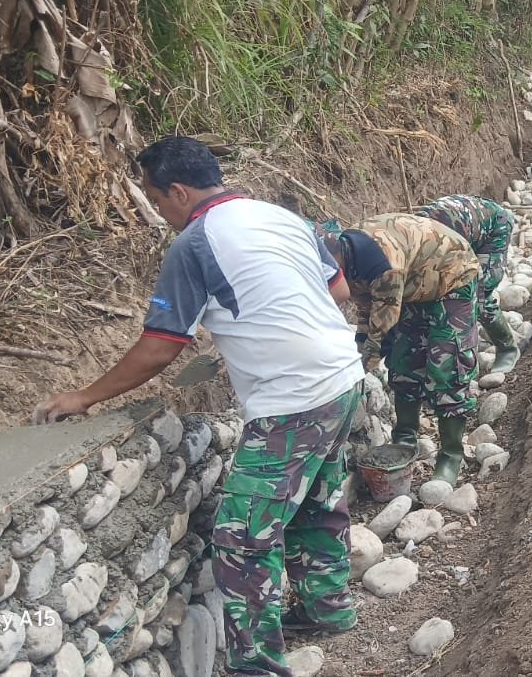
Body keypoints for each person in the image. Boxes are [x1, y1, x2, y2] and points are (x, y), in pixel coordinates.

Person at [34, 137, 365, 676]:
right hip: (343, 378)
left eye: (156, 199)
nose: (159, 212)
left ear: (179, 192)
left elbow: (161, 346)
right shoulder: (280, 217)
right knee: (318, 500)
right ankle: (327, 608)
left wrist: (83, 396)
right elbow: (340, 290)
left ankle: (258, 664)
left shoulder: (194, 243)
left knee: (242, 538)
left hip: (293, 400)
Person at [324, 213, 480, 487]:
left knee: (446, 367)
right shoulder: (344, 260)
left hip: (451, 276)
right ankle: (405, 440)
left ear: (338, 257)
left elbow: (382, 330)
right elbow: (367, 313)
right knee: (403, 361)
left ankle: (451, 455)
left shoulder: (382, 266)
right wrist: (356, 352)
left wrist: (358, 374)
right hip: (412, 284)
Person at [414, 194, 522, 374]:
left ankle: (507, 348)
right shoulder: (411, 238)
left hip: (494, 227)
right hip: (466, 227)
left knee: (479, 294)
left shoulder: (438, 242)